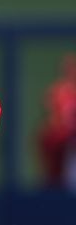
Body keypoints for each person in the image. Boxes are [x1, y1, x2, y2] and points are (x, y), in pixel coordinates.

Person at [36, 53, 76, 190]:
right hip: (61, 143)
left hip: (71, 144)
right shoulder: (57, 91)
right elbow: (50, 119)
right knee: (55, 180)